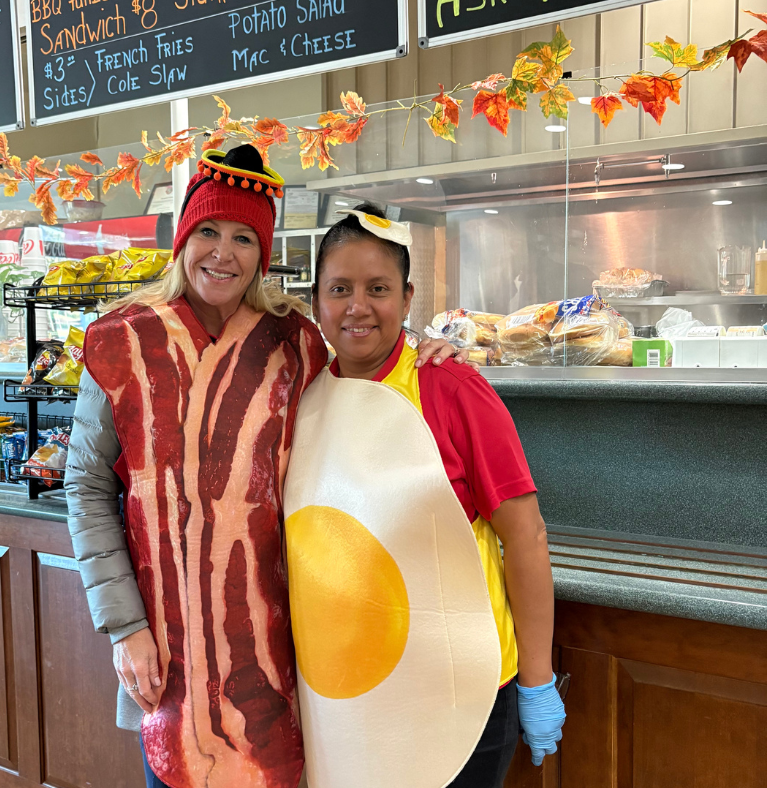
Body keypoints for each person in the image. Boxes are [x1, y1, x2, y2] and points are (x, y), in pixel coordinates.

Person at [63, 147, 466, 788]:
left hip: (275, 635)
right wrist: (124, 627)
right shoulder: (122, 341)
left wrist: (424, 352)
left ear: (264, 251)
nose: (223, 254)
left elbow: (358, 392)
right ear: (182, 239)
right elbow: (84, 487)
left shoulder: (294, 342)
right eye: (208, 233)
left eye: (244, 238)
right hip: (165, 640)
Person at [283, 204, 565, 788]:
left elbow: (526, 535)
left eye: (378, 288)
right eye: (340, 289)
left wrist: (537, 682)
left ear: (408, 299)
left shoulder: (451, 387)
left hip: (459, 698)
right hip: (346, 706)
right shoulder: (301, 400)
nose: (358, 307)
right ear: (316, 303)